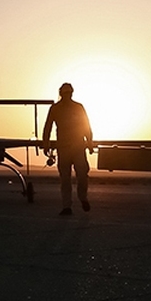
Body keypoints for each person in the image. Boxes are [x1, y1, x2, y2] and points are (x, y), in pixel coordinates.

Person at [42, 83, 94, 215]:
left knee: (82, 175)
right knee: (65, 179)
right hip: (63, 148)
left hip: (78, 147)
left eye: (69, 93)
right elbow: (48, 126)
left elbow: (86, 126)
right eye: (65, 93)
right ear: (61, 94)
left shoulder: (78, 107)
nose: (67, 96)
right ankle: (67, 206)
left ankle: (83, 198)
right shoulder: (55, 109)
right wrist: (46, 144)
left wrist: (90, 143)